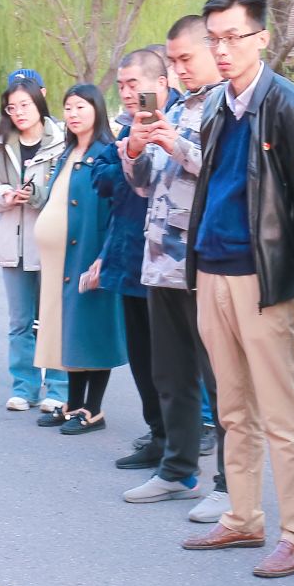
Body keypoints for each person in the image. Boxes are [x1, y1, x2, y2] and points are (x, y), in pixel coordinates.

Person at [181, 0, 294, 580]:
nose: (222, 49)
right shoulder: (217, 104)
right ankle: (242, 516)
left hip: (262, 279)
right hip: (211, 267)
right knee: (232, 408)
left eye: (233, 37)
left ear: (261, 37)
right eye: (213, 39)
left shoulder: (286, 105)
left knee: (283, 413)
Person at [126, 16, 230, 518]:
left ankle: (231, 486)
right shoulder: (176, 106)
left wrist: (179, 146)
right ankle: (177, 469)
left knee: (220, 380)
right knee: (171, 373)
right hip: (160, 259)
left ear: (212, 50)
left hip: (203, 260)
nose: (179, 69)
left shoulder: (229, 105)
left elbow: (226, 172)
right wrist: (135, 148)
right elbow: (144, 184)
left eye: (186, 58)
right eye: (173, 61)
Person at [34, 84, 126, 434]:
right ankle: (73, 404)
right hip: (62, 259)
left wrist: (105, 255)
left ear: (97, 110)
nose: (73, 114)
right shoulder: (68, 151)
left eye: (81, 107)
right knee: (70, 330)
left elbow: (117, 208)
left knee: (94, 330)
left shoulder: (107, 152)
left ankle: (93, 410)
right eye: (68, 108)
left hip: (90, 251)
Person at [94, 48, 169, 464]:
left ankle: (180, 438)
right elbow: (101, 177)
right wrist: (128, 156)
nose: (126, 92)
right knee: (140, 355)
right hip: (127, 255)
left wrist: (133, 160)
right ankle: (158, 432)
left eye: (133, 84)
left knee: (169, 358)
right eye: (121, 85)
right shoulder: (124, 129)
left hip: (166, 259)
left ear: (160, 84)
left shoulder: (177, 124)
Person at [0, 77, 66, 413]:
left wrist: (37, 195)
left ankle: (58, 388)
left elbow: (68, 193)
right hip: (13, 243)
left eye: (25, 105)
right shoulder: (0, 144)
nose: (18, 112)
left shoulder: (62, 142)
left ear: (39, 104)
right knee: (19, 322)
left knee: (53, 319)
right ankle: (24, 387)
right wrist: (4, 195)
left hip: (51, 243)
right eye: (11, 107)